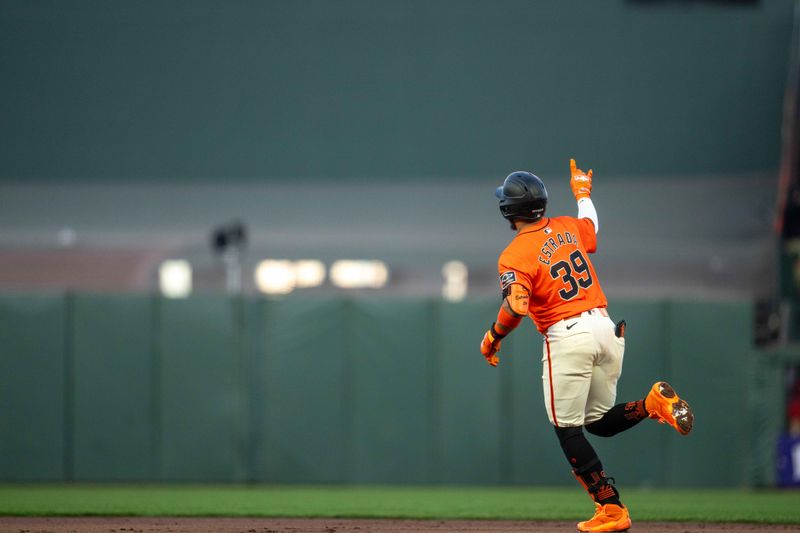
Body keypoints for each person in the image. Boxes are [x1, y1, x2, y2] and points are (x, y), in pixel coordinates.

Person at [479, 160, 695, 533]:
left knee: (567, 429)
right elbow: (592, 226)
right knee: (596, 422)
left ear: (507, 211)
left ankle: (611, 508)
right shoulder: (566, 226)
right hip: (606, 328)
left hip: (568, 335)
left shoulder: (514, 254)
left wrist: (492, 338)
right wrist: (582, 193)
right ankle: (651, 405)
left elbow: (516, 305)